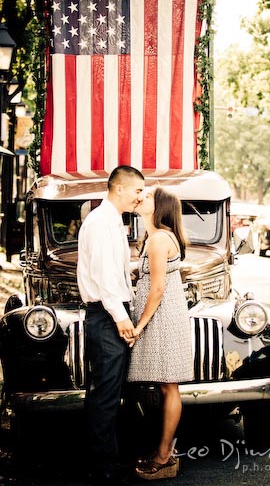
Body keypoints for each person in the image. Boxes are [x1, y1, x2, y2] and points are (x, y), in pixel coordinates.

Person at [77, 165, 145, 485]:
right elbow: (105, 280)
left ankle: (108, 459)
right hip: (106, 317)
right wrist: (121, 319)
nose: (139, 198)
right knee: (104, 394)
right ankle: (100, 467)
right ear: (119, 189)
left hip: (111, 313)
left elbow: (116, 274)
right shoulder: (101, 222)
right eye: (137, 191)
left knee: (112, 392)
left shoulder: (113, 221)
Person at [127, 187, 193, 480]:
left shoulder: (158, 240)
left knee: (168, 386)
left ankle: (164, 456)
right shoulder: (157, 238)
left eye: (149, 197)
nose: (142, 198)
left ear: (161, 207)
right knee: (167, 385)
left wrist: (138, 327)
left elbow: (157, 288)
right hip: (165, 317)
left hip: (162, 319)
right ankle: (164, 451)